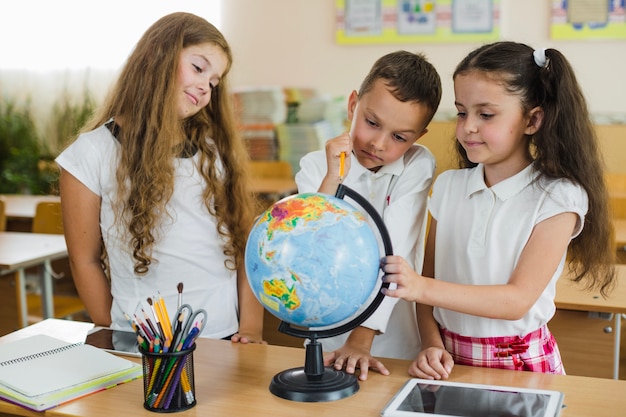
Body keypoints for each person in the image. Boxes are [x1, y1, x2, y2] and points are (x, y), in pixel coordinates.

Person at [381, 41, 616, 379]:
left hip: (522, 366)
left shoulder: (559, 197)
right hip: (449, 363)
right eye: (462, 112)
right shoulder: (448, 187)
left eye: (485, 114)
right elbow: (428, 284)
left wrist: (419, 286)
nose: (468, 127)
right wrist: (430, 344)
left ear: (533, 119)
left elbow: (516, 300)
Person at [56, 12, 265, 344]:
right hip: (143, 345)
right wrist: (117, 330)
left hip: (224, 339)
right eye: (198, 68)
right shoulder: (89, 155)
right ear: (157, 54)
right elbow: (84, 261)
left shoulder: (213, 153)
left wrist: (251, 328)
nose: (205, 87)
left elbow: (243, 246)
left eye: (214, 82)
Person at [295, 50, 442, 380]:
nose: (378, 143)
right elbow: (311, 244)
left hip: (391, 338)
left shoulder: (418, 165)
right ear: (352, 105)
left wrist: (361, 339)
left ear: (417, 138)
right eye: (372, 123)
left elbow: (395, 248)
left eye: (399, 137)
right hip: (328, 331)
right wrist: (333, 176)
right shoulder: (316, 166)